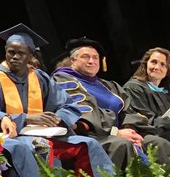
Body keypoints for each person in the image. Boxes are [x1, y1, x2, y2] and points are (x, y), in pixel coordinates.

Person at [0, 24, 114, 177]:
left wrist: (57, 118)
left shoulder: (40, 77)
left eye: (21, 53)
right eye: (10, 52)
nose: (14, 57)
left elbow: (68, 104)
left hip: (44, 132)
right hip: (10, 136)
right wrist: (23, 118)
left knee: (89, 144)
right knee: (40, 146)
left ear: (31, 55)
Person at [54, 38, 170, 168]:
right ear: (72, 60)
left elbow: (128, 110)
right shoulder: (64, 80)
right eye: (86, 57)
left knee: (159, 143)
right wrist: (116, 132)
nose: (92, 61)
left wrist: (130, 128)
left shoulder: (108, 85)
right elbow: (85, 114)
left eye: (95, 58)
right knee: (121, 145)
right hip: (93, 136)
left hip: (122, 133)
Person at [121, 48, 170, 141]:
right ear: (145, 64)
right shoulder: (133, 88)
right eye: (154, 62)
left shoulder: (166, 92)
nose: (157, 67)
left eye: (163, 64)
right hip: (149, 135)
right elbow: (144, 120)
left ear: (167, 70)